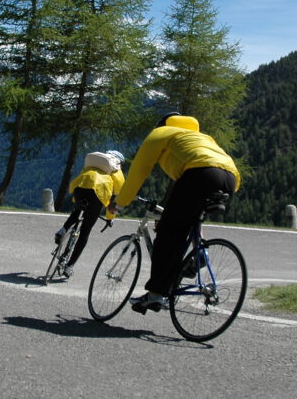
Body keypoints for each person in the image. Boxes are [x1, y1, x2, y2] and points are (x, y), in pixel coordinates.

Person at [108, 113, 240, 313]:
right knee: (190, 219)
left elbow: (139, 170)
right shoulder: (200, 137)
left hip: (199, 174)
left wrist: (119, 203)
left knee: (169, 234)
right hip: (230, 178)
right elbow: (180, 185)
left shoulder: (160, 133)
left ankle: (155, 295)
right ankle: (200, 253)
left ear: (162, 124)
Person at [54, 150, 125, 279]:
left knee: (77, 211)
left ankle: (63, 230)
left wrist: (77, 203)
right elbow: (115, 200)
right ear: (120, 162)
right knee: (85, 232)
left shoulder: (95, 162)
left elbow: (82, 179)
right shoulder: (117, 170)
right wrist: (110, 218)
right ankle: (69, 266)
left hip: (79, 188)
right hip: (97, 194)